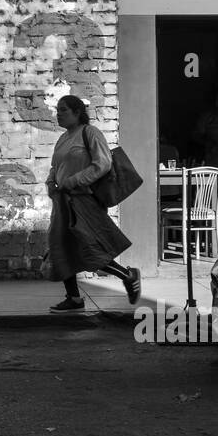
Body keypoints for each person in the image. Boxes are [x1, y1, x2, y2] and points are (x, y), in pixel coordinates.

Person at [45, 95, 142, 311]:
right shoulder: (63, 139)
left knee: (88, 248)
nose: (58, 114)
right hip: (62, 201)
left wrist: (74, 180)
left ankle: (128, 275)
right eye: (57, 110)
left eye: (63, 110)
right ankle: (74, 298)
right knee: (60, 246)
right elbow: (55, 166)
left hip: (83, 201)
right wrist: (51, 182)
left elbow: (103, 164)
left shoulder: (90, 133)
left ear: (77, 112)